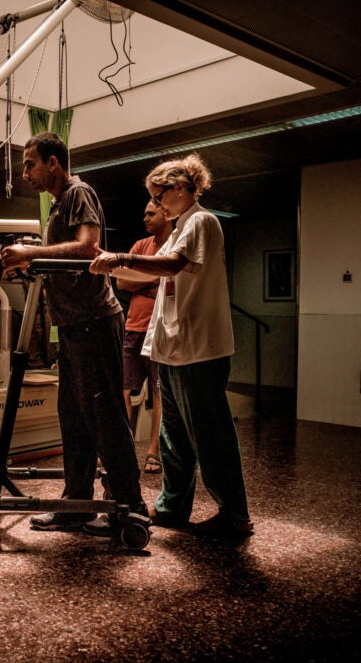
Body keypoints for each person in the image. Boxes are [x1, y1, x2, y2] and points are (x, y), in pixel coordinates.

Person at [89, 152, 253, 541]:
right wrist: (104, 264)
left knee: (210, 436)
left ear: (180, 187)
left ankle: (235, 514)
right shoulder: (180, 227)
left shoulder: (201, 221)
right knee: (173, 438)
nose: (157, 204)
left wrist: (120, 258)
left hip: (200, 350)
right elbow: (145, 270)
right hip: (173, 350)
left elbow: (172, 265)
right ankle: (172, 507)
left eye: (159, 195)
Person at [0, 131, 147, 536]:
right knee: (74, 416)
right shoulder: (58, 203)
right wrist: (35, 259)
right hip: (72, 324)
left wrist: (31, 253)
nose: (26, 172)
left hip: (95, 322)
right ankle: (76, 503)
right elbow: (66, 257)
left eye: (30, 164)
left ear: (54, 163)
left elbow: (88, 248)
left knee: (104, 415)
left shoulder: (79, 191)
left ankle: (130, 506)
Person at [117, 200, 172, 475]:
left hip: (161, 332)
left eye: (150, 213)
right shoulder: (140, 246)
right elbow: (121, 282)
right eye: (144, 212)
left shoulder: (175, 245)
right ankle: (122, 452)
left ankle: (154, 453)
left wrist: (142, 280)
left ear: (166, 213)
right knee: (123, 390)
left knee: (160, 394)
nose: (145, 217)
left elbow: (172, 281)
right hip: (133, 328)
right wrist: (153, 280)